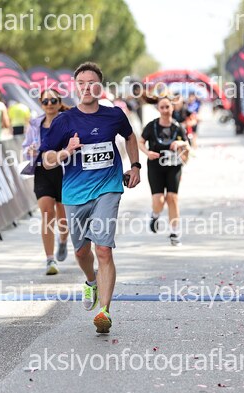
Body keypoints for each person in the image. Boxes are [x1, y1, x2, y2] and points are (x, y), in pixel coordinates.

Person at [41, 62, 141, 334]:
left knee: (103, 249)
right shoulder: (64, 121)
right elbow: (47, 160)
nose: (87, 88)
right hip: (74, 193)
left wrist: (135, 166)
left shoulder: (114, 115)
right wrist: (66, 151)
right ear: (75, 88)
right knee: (81, 251)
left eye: (92, 83)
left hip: (108, 187)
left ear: (100, 87)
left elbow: (130, 137)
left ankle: (104, 312)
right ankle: (90, 281)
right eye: (81, 83)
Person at [22, 89, 70, 275]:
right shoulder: (35, 124)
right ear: (41, 104)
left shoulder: (67, 121)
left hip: (65, 171)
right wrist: (30, 151)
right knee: (47, 213)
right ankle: (50, 259)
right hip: (42, 171)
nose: (49, 104)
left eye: (53, 100)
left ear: (59, 102)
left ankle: (63, 240)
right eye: (45, 101)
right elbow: (25, 148)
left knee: (63, 216)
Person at [139, 96, 190, 246]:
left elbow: (188, 145)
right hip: (155, 166)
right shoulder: (151, 126)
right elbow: (140, 142)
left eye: (168, 107)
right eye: (162, 107)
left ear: (172, 107)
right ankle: (155, 215)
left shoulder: (178, 127)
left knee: (172, 198)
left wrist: (180, 143)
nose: (165, 110)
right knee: (159, 200)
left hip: (174, 166)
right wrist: (147, 152)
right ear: (158, 109)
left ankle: (175, 232)